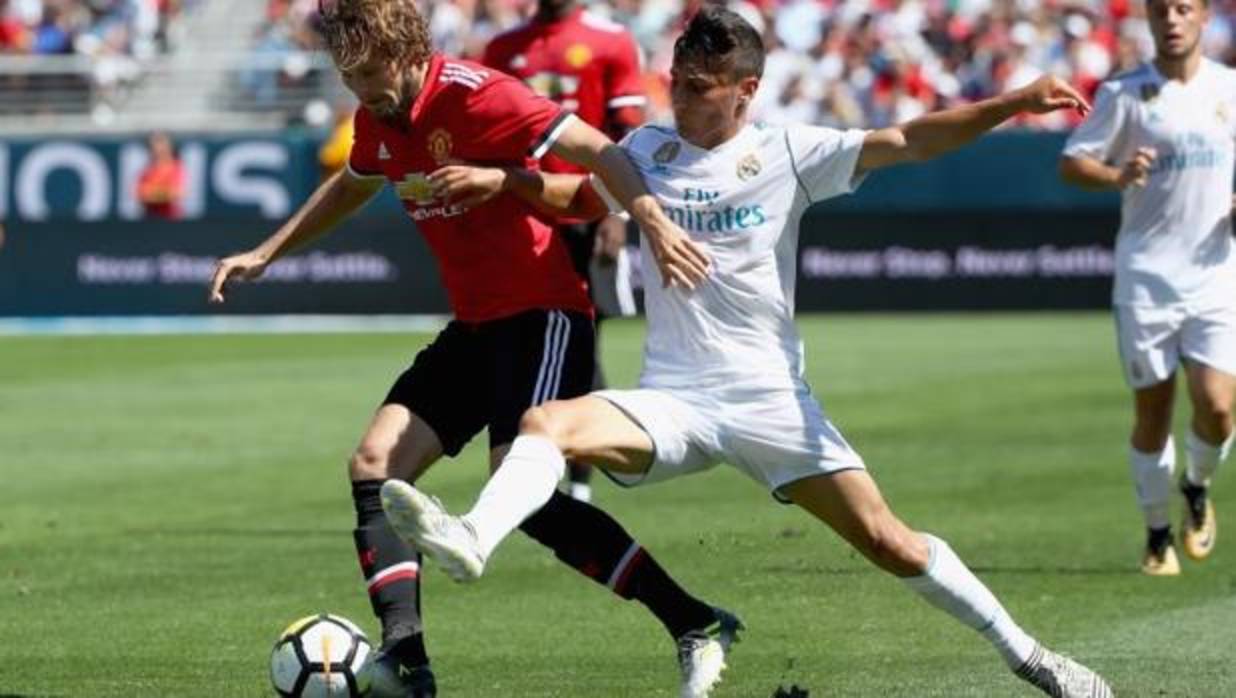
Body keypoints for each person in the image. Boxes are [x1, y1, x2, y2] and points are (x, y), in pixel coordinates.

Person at [383, 6, 1114, 697]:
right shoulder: (645, 150)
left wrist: (1013, 99)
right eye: (675, 79)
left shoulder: (788, 151)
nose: (680, 97)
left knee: (891, 543)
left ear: (746, 91)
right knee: (545, 424)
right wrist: (505, 178)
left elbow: (914, 139)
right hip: (672, 399)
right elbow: (580, 201)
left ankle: (1033, 658)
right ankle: (474, 537)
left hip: (770, 401)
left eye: (700, 89)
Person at [206, 1, 737, 696]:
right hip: (476, 327)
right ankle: (406, 662)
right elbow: (354, 182)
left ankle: (694, 621)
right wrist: (267, 253)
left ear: (405, 52)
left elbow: (603, 153)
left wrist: (653, 224)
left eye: (370, 71)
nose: (362, 89)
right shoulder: (377, 121)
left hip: (544, 315)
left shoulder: (480, 95)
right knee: (374, 464)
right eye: (348, 76)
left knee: (527, 497)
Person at [1060, 0, 1232, 576]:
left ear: (1205, 17)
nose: (1172, 20)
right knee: (1153, 412)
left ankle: (1196, 485)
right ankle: (1157, 532)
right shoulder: (1124, 93)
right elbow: (1073, 163)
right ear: (1150, 20)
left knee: (1219, 406)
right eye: (1161, 11)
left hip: (1216, 272)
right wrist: (1117, 174)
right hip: (1147, 277)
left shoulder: (1230, 89)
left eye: (1184, 9)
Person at [482, 0, 647, 502]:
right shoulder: (502, 48)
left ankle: (579, 479)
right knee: (518, 338)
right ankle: (526, 465)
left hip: (586, 210)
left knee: (581, 339)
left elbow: (629, 135)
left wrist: (616, 214)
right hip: (525, 215)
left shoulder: (610, 38)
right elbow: (486, 135)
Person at [136, 132, 185, 220]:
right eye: (153, 145)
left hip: (170, 218)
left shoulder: (176, 167)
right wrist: (162, 192)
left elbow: (176, 193)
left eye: (160, 143)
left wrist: (152, 193)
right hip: (149, 218)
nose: (156, 148)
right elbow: (139, 193)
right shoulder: (148, 170)